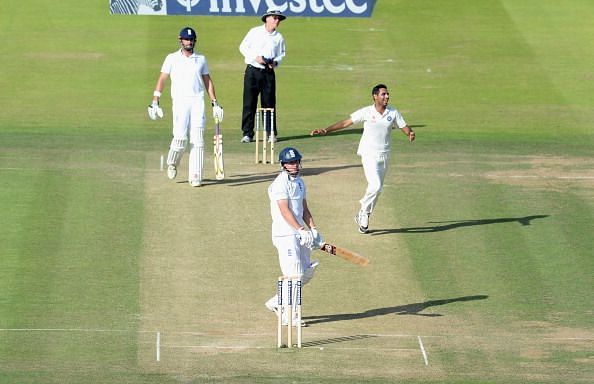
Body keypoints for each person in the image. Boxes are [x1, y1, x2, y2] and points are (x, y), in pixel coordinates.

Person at [310, 84, 415, 233]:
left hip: (384, 155)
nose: (387, 97)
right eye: (383, 94)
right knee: (376, 186)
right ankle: (363, 213)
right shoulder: (367, 112)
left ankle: (364, 213)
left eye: (387, 94)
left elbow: (404, 126)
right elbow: (346, 122)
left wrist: (410, 133)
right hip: (369, 154)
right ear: (375, 96)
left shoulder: (393, 112)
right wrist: (326, 130)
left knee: (377, 191)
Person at [148, 26, 224, 187]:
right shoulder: (171, 58)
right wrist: (155, 101)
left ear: (194, 41)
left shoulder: (201, 59)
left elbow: (207, 81)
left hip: (197, 102)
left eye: (191, 39)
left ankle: (196, 175)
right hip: (180, 102)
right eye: (186, 39)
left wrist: (215, 104)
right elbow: (162, 79)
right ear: (180, 40)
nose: (189, 42)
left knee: (198, 139)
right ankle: (172, 163)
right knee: (181, 138)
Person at [265, 147, 323, 325]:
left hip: (299, 234)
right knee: (294, 274)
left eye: (296, 161)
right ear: (283, 165)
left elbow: (303, 208)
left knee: (307, 272)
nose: (295, 165)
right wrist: (300, 229)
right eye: (291, 162)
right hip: (285, 234)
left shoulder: (300, 182)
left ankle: (276, 302)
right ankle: (289, 315)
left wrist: (313, 229)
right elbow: (284, 210)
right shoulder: (279, 184)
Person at [238, 7, 286, 143]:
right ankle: (247, 133)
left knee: (269, 103)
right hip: (253, 70)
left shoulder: (279, 37)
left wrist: (276, 62)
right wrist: (256, 57)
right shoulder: (255, 32)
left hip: (268, 73)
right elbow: (242, 47)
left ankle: (270, 133)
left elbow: (282, 53)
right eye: (275, 18)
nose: (277, 21)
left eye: (279, 19)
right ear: (267, 18)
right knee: (249, 102)